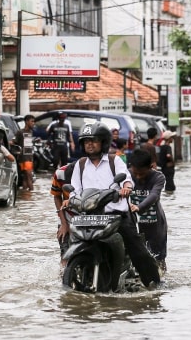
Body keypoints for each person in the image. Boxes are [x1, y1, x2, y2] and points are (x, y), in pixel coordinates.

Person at [65, 122, 160, 288]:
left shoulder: (113, 160)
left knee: (138, 250)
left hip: (116, 217)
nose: (89, 144)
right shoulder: (80, 165)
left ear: (103, 142)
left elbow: (127, 180)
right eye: (86, 141)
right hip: (89, 217)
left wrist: (126, 188)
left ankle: (154, 283)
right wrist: (70, 199)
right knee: (73, 243)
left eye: (94, 140)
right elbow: (75, 190)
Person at [129, 149, 168, 273]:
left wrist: (139, 207)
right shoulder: (126, 176)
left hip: (155, 226)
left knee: (159, 259)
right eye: (136, 173)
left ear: (150, 167)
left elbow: (154, 195)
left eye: (142, 173)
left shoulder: (158, 177)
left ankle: (161, 285)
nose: (138, 177)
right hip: (133, 225)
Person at [50, 160, 76, 266]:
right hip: (67, 214)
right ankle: (63, 277)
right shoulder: (60, 173)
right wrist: (64, 224)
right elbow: (57, 196)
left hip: (87, 216)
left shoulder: (91, 174)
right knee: (65, 253)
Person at [13, 114, 35, 191]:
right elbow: (14, 142)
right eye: (31, 121)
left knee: (26, 178)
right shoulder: (20, 132)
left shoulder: (31, 132)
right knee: (29, 177)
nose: (33, 123)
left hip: (29, 157)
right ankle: (32, 194)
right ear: (26, 122)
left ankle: (26, 195)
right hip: (24, 158)